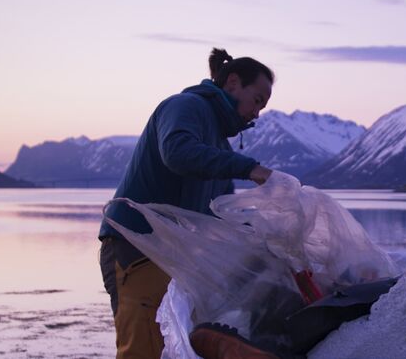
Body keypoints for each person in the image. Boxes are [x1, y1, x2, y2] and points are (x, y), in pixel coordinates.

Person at [98, 48, 275, 359]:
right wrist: (250, 168)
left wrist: (268, 239)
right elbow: (177, 151)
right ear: (232, 82)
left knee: (172, 344)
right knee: (142, 347)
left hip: (171, 256)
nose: (257, 113)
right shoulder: (185, 106)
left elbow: (221, 213)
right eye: (257, 100)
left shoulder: (218, 146)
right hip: (136, 246)